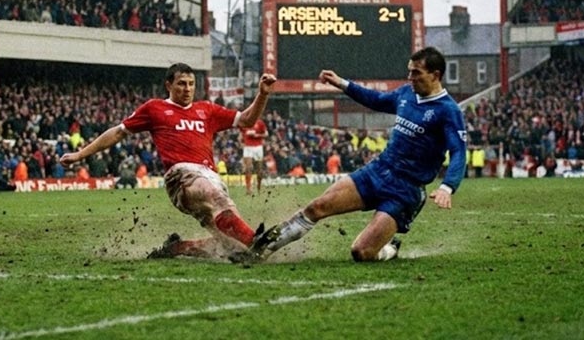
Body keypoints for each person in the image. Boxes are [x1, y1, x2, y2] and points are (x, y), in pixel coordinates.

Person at [250, 46, 467, 262]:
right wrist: (342, 83)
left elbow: (458, 151)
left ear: (435, 75)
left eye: (416, 72)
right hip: (378, 170)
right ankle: (259, 251)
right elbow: (376, 99)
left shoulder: (448, 111)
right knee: (317, 207)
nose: (410, 77)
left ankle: (389, 249)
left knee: (362, 252)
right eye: (409, 71)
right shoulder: (406, 93)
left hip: (405, 189)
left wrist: (447, 187)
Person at [61, 62, 276, 260]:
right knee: (216, 199)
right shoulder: (155, 109)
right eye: (181, 83)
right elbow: (118, 133)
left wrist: (262, 95)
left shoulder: (207, 110)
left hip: (210, 177)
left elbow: (247, 120)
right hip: (181, 177)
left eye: (191, 84)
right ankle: (257, 242)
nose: (187, 88)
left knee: (229, 244)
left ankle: (177, 248)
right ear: (168, 85)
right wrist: (80, 155)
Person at [240, 117, 269, 195]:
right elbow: (241, 133)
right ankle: (248, 189)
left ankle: (259, 187)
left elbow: (266, 133)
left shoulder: (259, 122)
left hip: (258, 147)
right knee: (248, 168)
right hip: (247, 147)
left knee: (259, 169)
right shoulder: (245, 122)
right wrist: (241, 142)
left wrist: (257, 135)